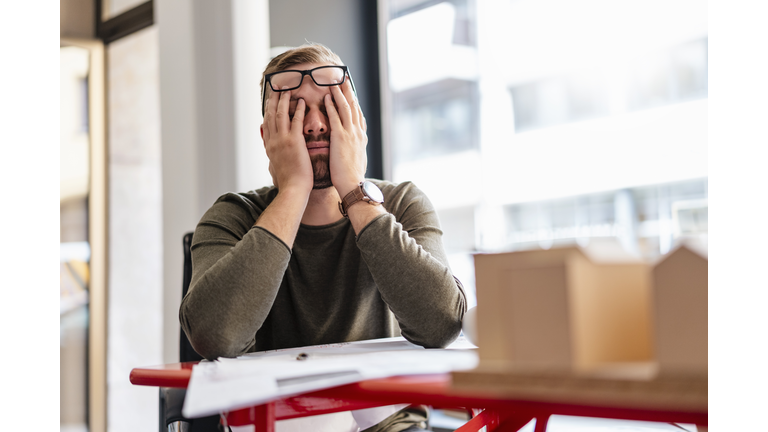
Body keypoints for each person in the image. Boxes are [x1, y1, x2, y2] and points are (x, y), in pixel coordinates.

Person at [180, 43, 467, 432]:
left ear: (356, 124)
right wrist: (293, 189)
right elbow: (215, 335)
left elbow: (441, 324)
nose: (315, 125)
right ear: (268, 136)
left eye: (329, 107)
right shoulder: (232, 215)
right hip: (274, 422)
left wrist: (353, 190)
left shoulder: (401, 203)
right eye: (295, 112)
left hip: (385, 424)